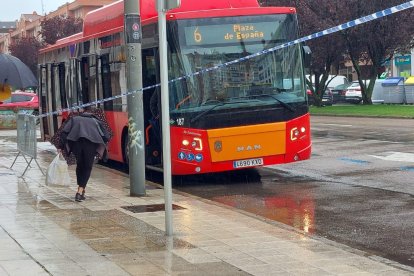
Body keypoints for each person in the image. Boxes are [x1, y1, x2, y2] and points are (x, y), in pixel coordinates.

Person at [52, 108, 112, 202]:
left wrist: (60, 146)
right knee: (87, 167)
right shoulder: (96, 121)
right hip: (90, 146)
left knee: (80, 165)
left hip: (76, 145)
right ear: (92, 115)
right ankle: (79, 191)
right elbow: (107, 136)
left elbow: (64, 133)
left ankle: (81, 188)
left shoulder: (74, 119)